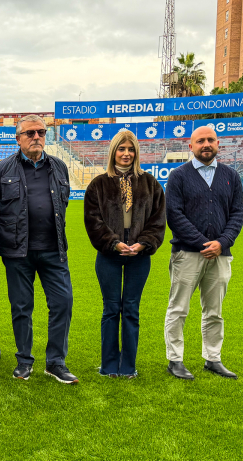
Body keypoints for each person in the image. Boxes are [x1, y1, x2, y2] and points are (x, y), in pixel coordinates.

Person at [0, 115, 77, 384]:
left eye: (40, 132)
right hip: (17, 253)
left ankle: (56, 362)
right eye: (29, 133)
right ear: (18, 138)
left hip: (53, 250)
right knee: (22, 307)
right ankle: (24, 361)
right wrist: (8, 235)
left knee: (63, 302)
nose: (36, 136)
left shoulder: (59, 166)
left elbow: (63, 205)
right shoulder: (1, 170)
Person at [164, 126, 243, 380]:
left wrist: (222, 242)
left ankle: (213, 358)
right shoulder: (178, 176)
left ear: (218, 143)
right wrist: (202, 243)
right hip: (187, 253)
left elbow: (237, 213)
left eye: (210, 140)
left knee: (214, 311)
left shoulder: (231, 175)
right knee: (179, 309)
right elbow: (174, 215)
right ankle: (175, 359)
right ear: (191, 146)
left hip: (221, 255)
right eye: (200, 141)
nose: (206, 144)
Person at [84, 131, 166, 379]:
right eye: (121, 149)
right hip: (109, 255)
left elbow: (158, 220)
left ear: (136, 152)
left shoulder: (150, 183)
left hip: (140, 256)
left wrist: (143, 243)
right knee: (111, 309)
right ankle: (109, 366)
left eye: (131, 149)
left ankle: (128, 366)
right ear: (113, 152)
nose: (126, 154)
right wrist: (114, 243)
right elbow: (93, 221)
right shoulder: (98, 184)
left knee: (131, 309)